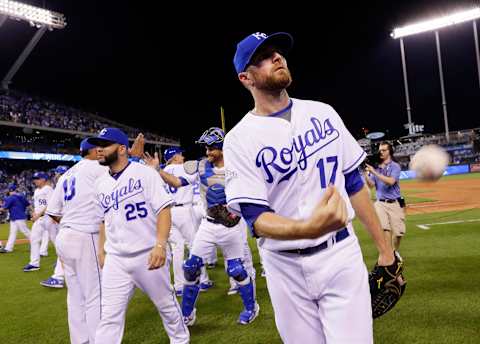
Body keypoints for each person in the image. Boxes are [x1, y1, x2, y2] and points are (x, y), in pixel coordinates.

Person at [224, 32, 395, 343]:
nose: (277, 57)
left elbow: (354, 184)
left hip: (340, 254)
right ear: (245, 77)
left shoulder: (322, 113)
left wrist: (386, 251)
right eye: (263, 56)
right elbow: (256, 218)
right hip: (283, 266)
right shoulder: (238, 139)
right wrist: (308, 228)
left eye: (277, 52)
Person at [144, 127, 259, 326]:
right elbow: (178, 182)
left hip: (233, 227)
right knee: (190, 267)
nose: (207, 153)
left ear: (222, 148)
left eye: (211, 149)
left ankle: (251, 308)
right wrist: (157, 170)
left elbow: (251, 192)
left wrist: (240, 211)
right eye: (206, 149)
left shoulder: (238, 166)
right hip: (208, 225)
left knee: (236, 270)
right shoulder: (200, 166)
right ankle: (187, 313)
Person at [87, 128, 189, 344]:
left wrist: (160, 245)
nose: (99, 149)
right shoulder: (99, 184)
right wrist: (101, 250)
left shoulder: (145, 174)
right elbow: (103, 220)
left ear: (122, 149)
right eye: (98, 145)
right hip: (116, 259)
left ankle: (180, 340)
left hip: (147, 253)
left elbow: (163, 209)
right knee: (109, 317)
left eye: (105, 145)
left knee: (167, 306)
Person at [46, 138, 108, 343]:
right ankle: (98, 339)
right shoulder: (96, 167)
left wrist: (71, 221)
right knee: (94, 294)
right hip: (85, 236)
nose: (102, 152)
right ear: (92, 151)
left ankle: (80, 340)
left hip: (65, 236)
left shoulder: (66, 174)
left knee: (75, 295)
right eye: (99, 148)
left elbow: (53, 212)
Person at [162, 147, 212, 296]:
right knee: (195, 245)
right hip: (185, 210)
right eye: (180, 155)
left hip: (168, 212)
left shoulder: (160, 172)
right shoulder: (183, 168)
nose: (182, 157)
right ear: (175, 157)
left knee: (177, 249)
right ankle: (203, 280)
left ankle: (178, 285)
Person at [364, 142, 406, 252]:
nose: (381, 152)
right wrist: (365, 174)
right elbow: (371, 185)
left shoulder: (395, 166)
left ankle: (393, 252)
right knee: (385, 229)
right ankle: (388, 255)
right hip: (380, 203)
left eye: (384, 150)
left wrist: (374, 172)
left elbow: (391, 182)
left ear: (390, 152)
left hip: (395, 203)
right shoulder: (376, 167)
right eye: (380, 150)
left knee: (398, 233)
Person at [40, 165, 69, 288]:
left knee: (63, 247)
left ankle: (58, 277)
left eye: (57, 173)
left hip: (68, 222)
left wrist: (61, 220)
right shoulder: (78, 182)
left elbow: (53, 211)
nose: (55, 175)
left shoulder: (61, 184)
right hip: (81, 221)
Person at [23, 172, 56, 272]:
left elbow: (51, 205)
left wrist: (39, 214)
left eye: (37, 178)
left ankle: (64, 262)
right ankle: (34, 263)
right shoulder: (36, 190)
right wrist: (34, 213)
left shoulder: (49, 189)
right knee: (34, 239)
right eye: (34, 178)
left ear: (44, 179)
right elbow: (36, 205)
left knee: (57, 241)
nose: (35, 180)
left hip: (49, 218)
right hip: (39, 219)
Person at [0, 184, 30, 253]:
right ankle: (8, 248)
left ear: (10, 190)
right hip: (17, 217)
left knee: (26, 232)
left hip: (18, 217)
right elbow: (28, 204)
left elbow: (4, 208)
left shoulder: (10, 198)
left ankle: (35, 244)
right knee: (12, 233)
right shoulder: (21, 196)